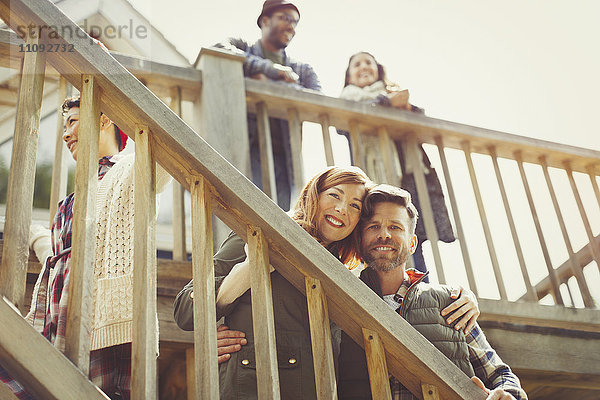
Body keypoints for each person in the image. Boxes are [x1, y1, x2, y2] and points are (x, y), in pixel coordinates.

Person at [173, 167, 479, 399]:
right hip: (252, 386)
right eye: (334, 195)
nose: (342, 209)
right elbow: (187, 311)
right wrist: (254, 266)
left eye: (355, 206)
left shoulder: (345, 276)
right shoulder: (258, 234)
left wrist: (461, 295)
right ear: (314, 195)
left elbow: (396, 299)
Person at [0, 96, 171, 399]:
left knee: (92, 389)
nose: (65, 134)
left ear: (104, 120)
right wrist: (38, 236)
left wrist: (105, 74)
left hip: (96, 316)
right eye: (64, 125)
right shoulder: (72, 197)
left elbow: (165, 155)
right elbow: (58, 257)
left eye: (73, 122)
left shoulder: (130, 169)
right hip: (59, 312)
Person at [337, 184, 527, 400]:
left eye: (395, 227)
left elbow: (500, 374)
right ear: (360, 240)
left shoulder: (450, 302)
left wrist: (507, 395)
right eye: (373, 226)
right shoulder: (342, 300)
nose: (384, 235)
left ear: (412, 243)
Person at [338, 51, 455, 278]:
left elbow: (421, 122)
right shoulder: (350, 99)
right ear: (349, 77)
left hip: (410, 178)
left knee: (412, 237)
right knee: (382, 235)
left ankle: (418, 290)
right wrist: (387, 103)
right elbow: (343, 123)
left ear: (378, 70)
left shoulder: (394, 95)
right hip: (378, 180)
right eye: (357, 64)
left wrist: (407, 108)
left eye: (369, 62)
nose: (364, 67)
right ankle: (387, 292)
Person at [213, 0, 320, 211]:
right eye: (285, 18)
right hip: (245, 148)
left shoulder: (303, 69)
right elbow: (218, 50)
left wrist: (271, 84)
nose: (291, 26)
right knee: (244, 215)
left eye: (295, 22)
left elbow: (317, 100)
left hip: (284, 156)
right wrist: (273, 70)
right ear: (265, 20)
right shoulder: (241, 47)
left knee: (278, 219)